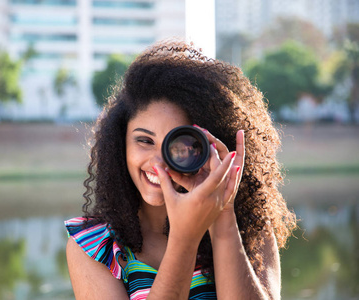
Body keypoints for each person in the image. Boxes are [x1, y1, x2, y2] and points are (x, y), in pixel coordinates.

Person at [65, 39, 296, 299]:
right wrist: (184, 238)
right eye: (144, 141)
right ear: (121, 145)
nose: (159, 162)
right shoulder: (93, 246)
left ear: (207, 147)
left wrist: (222, 218)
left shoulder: (249, 227)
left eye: (180, 145)